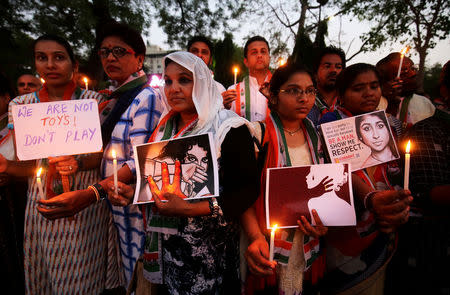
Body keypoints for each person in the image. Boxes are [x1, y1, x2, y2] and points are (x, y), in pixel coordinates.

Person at [107, 51, 259, 294]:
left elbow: (246, 190)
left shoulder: (227, 126)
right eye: (168, 81)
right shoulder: (163, 129)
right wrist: (133, 194)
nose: (173, 88)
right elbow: (154, 184)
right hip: (168, 255)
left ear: (202, 82)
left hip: (210, 257)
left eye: (184, 80)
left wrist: (189, 209)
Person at [36, 22, 164, 287]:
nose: (110, 58)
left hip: (133, 210)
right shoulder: (112, 99)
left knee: (140, 278)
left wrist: (91, 193)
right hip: (115, 207)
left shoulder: (145, 97)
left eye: (119, 51)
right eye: (104, 52)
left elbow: (139, 162)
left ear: (139, 59)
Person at [2, 34, 121, 294]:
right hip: (41, 201)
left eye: (59, 58)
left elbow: (104, 155)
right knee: (49, 277)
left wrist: (78, 161)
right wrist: (8, 167)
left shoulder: (95, 102)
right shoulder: (21, 106)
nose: (50, 64)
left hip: (86, 202)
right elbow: (27, 165)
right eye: (41, 58)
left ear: (74, 65)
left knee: (85, 275)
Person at [318, 63, 412, 294]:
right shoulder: (328, 123)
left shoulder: (384, 123)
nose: (369, 93)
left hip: (383, 226)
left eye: (374, 86)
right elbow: (340, 171)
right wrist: (371, 199)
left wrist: (397, 205)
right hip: (346, 234)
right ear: (341, 94)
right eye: (358, 88)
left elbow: (393, 174)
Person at [241, 62, 331, 295]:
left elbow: (327, 188)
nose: (304, 98)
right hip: (265, 243)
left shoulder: (318, 135)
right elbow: (244, 196)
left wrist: (324, 223)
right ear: (273, 96)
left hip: (306, 246)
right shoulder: (255, 134)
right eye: (293, 90)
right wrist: (255, 236)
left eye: (310, 91)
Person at [376, 53, 435, 128]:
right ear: (386, 79)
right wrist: (391, 103)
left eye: (413, 68)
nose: (413, 73)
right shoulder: (375, 104)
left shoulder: (424, 102)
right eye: (404, 72)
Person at [222, 36, 271, 121]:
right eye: (254, 52)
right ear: (246, 62)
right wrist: (225, 108)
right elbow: (226, 122)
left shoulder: (280, 89)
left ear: (269, 58)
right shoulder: (233, 91)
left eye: (263, 51)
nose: (259, 55)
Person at [307, 46, 346, 126]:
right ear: (315, 73)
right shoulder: (305, 102)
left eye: (338, 67)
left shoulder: (349, 103)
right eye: (327, 66)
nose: (333, 70)